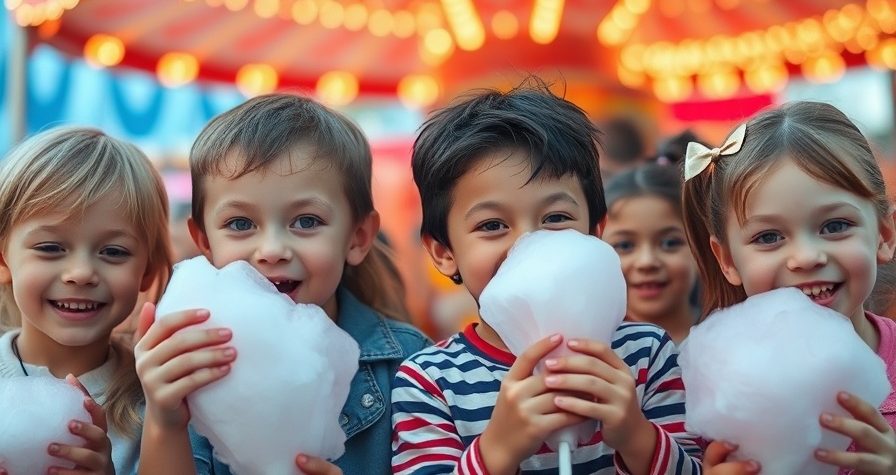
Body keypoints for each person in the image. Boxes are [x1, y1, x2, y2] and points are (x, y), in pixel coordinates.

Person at [392, 78, 704, 474]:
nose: (529, 244)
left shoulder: (646, 354)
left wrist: (635, 435)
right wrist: (497, 452)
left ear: (596, 232)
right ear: (444, 252)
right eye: (492, 225)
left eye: (555, 218)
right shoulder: (429, 381)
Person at [133, 93, 431, 475]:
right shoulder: (190, 364)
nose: (271, 250)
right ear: (205, 242)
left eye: (306, 221)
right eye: (241, 224)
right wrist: (164, 423)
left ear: (357, 237)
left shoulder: (410, 367)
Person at [681, 101, 896, 474]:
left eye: (834, 226)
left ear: (884, 234)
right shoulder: (704, 385)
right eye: (769, 236)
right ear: (727, 259)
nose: (806, 257)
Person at [0, 127, 172, 475]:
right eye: (50, 247)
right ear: (3, 260)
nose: (80, 273)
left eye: (113, 251)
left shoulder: (160, 403)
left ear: (148, 272)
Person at [603, 162, 698, 343]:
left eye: (670, 243)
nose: (647, 262)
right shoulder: (594, 348)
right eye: (624, 245)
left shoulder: (731, 341)